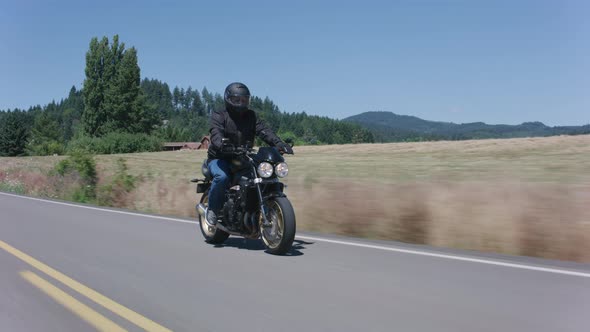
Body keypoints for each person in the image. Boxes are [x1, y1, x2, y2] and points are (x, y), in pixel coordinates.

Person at [205, 82, 293, 226]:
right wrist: (222, 143)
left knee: (261, 175)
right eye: (237, 100)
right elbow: (216, 132)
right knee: (222, 177)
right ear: (228, 99)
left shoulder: (251, 116)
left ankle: (253, 209)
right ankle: (213, 210)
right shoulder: (219, 115)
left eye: (244, 100)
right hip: (219, 157)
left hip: (242, 156)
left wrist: (279, 143)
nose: (241, 103)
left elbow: (264, 131)